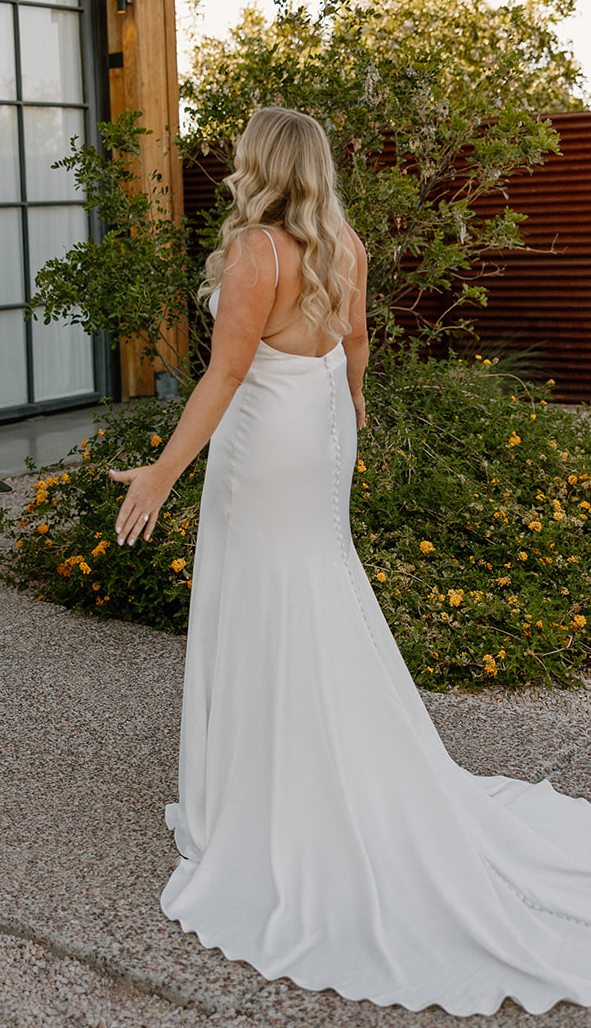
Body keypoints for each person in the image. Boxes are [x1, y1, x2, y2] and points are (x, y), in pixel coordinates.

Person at [111, 107, 591, 1014]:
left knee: (271, 592)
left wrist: (164, 472)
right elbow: (358, 340)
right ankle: (312, 755)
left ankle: (279, 785)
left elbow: (223, 373)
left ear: (260, 164)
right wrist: (356, 409)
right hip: (321, 426)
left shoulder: (257, 250)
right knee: (315, 583)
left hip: (268, 441)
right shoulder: (342, 239)